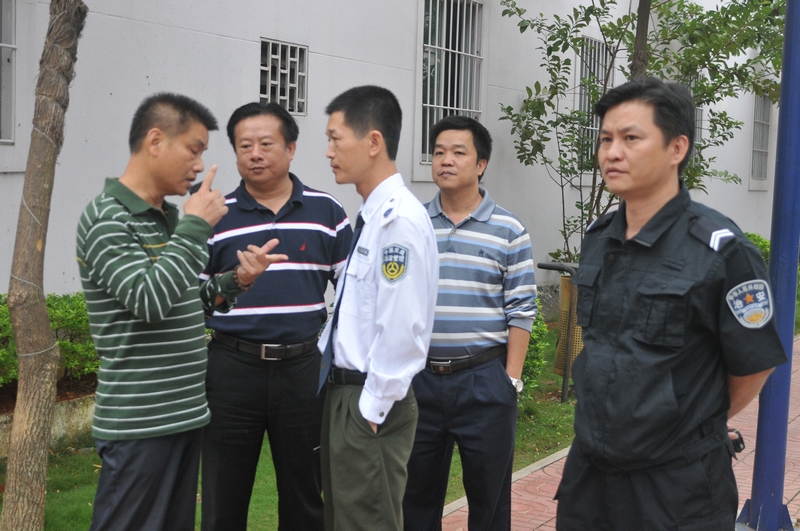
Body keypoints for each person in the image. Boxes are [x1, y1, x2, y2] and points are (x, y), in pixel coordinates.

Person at [555, 78, 787, 530]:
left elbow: (754, 365)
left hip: (676, 488)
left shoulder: (721, 250)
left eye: (630, 138)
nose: (612, 153)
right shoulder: (599, 239)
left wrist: (688, 421)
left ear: (676, 147)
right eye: (605, 139)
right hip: (590, 477)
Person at [77, 93, 285, 531]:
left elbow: (183, 300)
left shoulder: (168, 217)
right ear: (155, 141)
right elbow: (149, 301)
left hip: (185, 415)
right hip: (141, 424)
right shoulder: (107, 219)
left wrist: (236, 281)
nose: (199, 166)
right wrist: (195, 227)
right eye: (193, 150)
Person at [198, 102, 352, 531]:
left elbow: (356, 294)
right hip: (232, 370)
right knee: (222, 498)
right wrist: (235, 280)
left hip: (303, 371)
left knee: (305, 496)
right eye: (244, 145)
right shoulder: (215, 216)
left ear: (291, 148)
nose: (255, 154)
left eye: (266, 144)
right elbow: (192, 300)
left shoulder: (327, 213)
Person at [403, 115, 538, 530]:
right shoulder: (411, 224)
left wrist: (509, 380)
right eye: (439, 152)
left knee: (489, 504)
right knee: (414, 501)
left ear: (480, 164)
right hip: (420, 381)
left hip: (484, 381)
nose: (446, 160)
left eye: (458, 152)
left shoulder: (508, 230)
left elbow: (522, 309)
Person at [318, 85, 439, 531]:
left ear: (373, 142)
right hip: (347, 396)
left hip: (369, 401)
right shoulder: (372, 216)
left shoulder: (397, 221)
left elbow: (402, 328)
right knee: (343, 520)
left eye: (335, 138)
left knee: (366, 522)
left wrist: (371, 410)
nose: (329, 151)